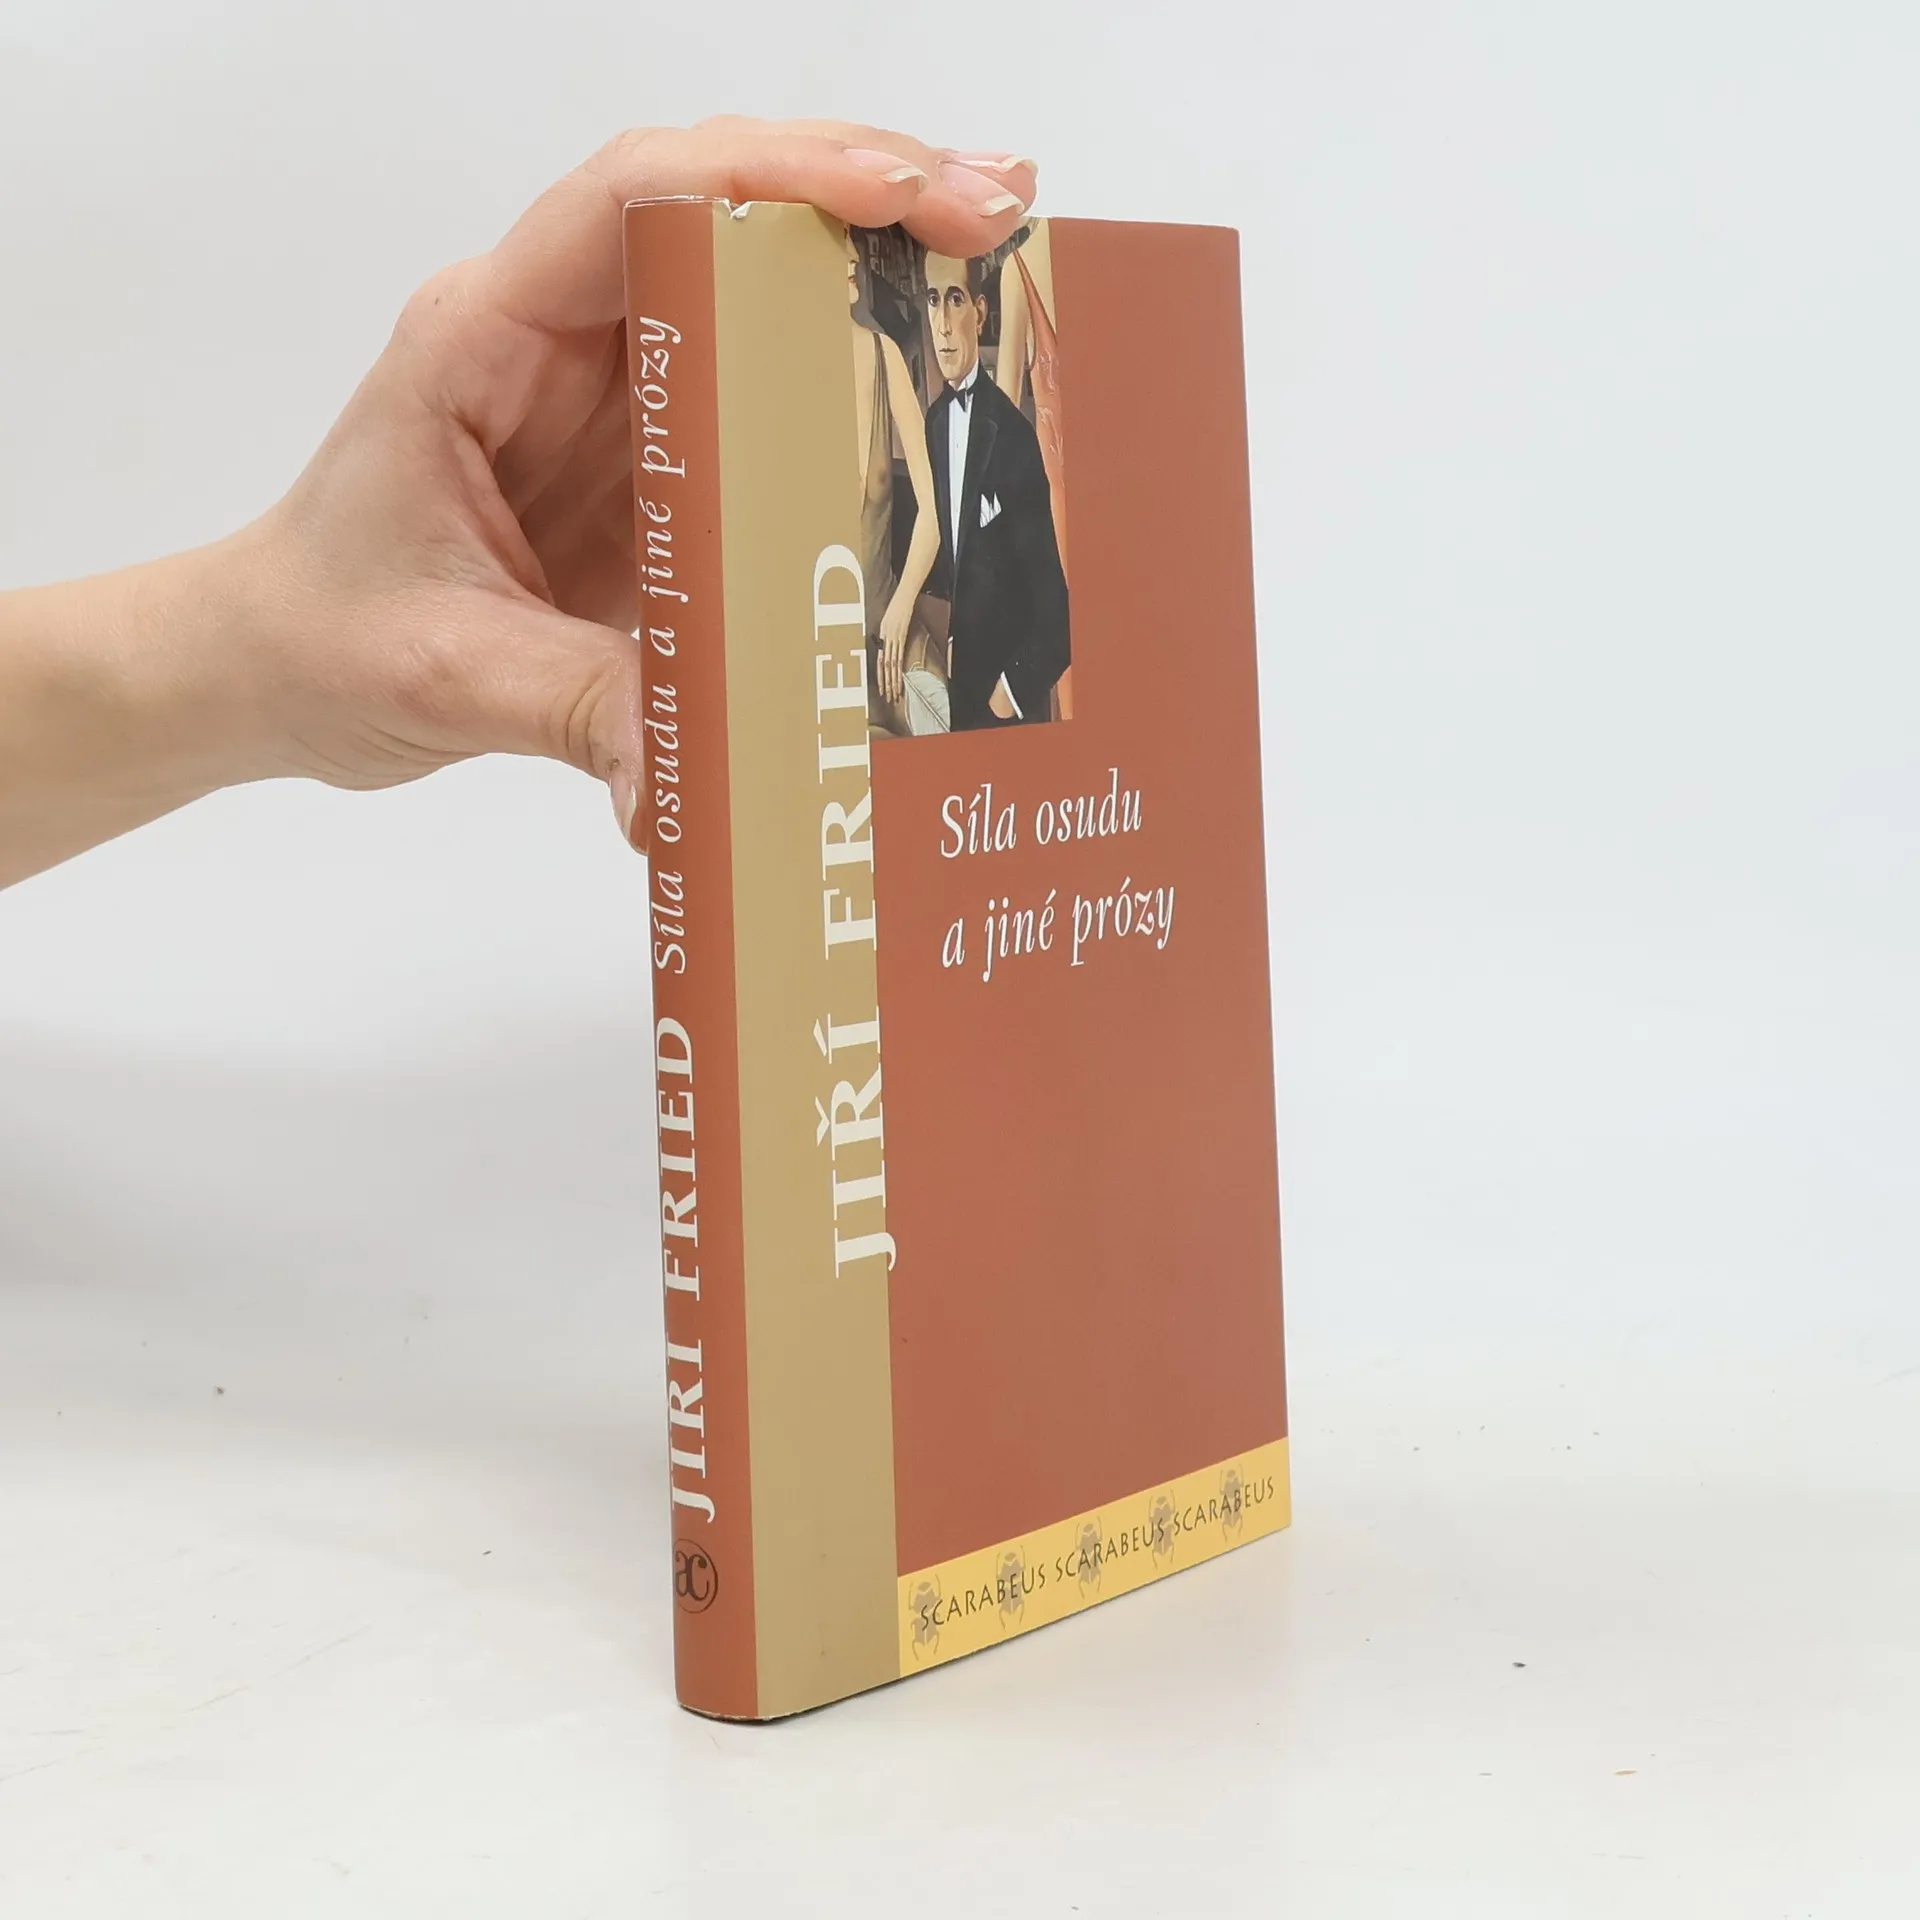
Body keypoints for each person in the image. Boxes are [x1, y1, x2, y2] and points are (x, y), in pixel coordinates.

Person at [0, 120, 1037, 892]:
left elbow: (927, 516)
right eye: (930, 298)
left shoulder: (903, 382)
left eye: (956, 301)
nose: (936, 312)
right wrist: (253, 652)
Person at [922, 251, 1070, 731]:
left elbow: (1058, 618)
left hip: (1004, 705)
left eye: (955, 300)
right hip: (959, 690)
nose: (943, 325)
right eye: (932, 300)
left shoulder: (1015, 437)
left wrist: (1007, 695)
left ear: (980, 312)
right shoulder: (935, 424)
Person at [846, 235, 941, 725]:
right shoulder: (782, 375)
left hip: (887, 619)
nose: (852, 257)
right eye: (834, 246)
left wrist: (902, 607)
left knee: (945, 721)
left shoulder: (884, 355)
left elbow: (935, 507)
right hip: (820, 640)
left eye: (850, 242)